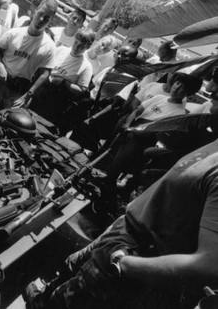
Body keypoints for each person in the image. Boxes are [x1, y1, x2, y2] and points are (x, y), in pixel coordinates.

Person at [25, 68, 218, 309]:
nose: (212, 89)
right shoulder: (212, 144)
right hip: (123, 229)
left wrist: (126, 265)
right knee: (70, 269)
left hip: (134, 253)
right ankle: (46, 292)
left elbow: (209, 264)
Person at [0, 0, 58, 114]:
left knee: (7, 123)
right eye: (40, 14)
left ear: (50, 21)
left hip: (19, 89)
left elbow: (45, 73)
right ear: (35, 11)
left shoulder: (49, 46)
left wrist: (29, 93)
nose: (41, 19)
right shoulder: (14, 33)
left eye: (46, 18)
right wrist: (0, 65)